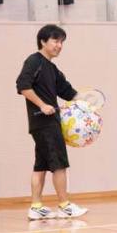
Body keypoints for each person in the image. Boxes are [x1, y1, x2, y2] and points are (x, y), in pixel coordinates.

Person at [16, 24, 89, 220]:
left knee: (41, 165)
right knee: (58, 164)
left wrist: (86, 101)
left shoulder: (52, 68)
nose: (59, 45)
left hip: (46, 123)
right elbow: (23, 86)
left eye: (62, 42)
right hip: (44, 122)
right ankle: (65, 205)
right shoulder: (34, 61)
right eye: (56, 41)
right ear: (43, 41)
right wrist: (42, 105)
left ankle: (36, 206)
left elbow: (67, 91)